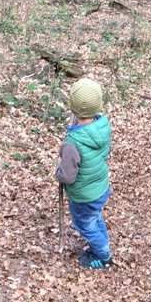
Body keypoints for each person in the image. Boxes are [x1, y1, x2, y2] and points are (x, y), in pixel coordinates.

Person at [55, 78, 113, 269]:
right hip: (101, 187)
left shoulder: (73, 142)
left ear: (72, 107)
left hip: (85, 195)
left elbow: (67, 176)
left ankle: (103, 256)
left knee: (86, 225)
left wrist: (59, 172)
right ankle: (101, 243)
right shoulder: (102, 126)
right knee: (94, 217)